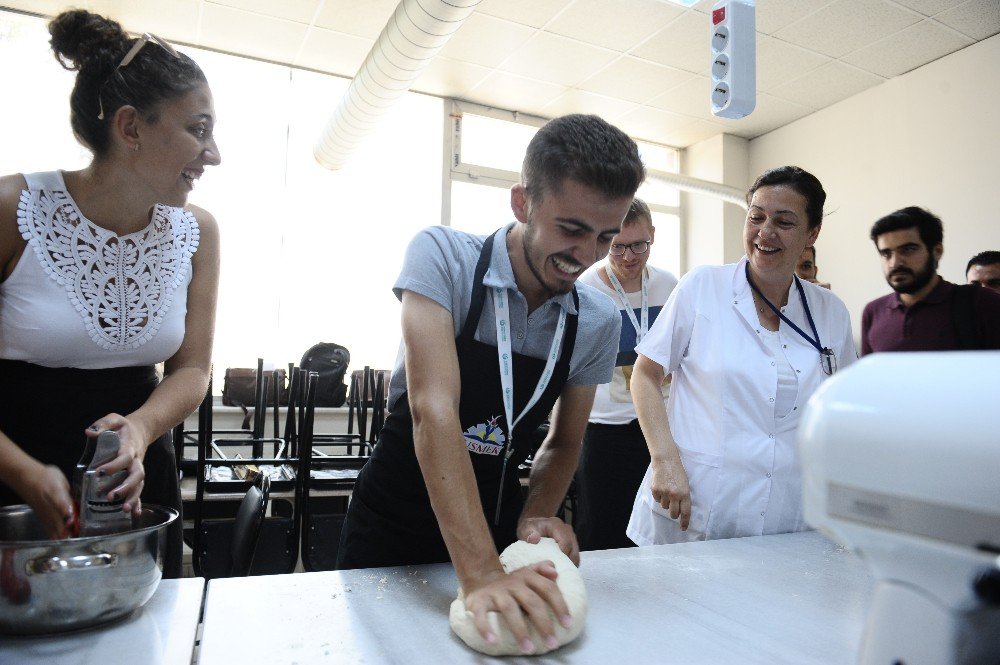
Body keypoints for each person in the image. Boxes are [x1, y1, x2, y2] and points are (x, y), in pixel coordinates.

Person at [336, 114, 644, 653]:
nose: (587, 257)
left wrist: (536, 520)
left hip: (498, 532)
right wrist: (478, 575)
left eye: (606, 236)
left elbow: (565, 441)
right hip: (390, 527)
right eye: (571, 229)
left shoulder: (597, 319)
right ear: (522, 202)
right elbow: (434, 412)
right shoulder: (444, 260)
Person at [0, 10, 221, 577]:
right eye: (198, 129)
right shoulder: (13, 209)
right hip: (14, 472)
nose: (213, 153)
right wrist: (23, 471)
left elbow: (192, 370)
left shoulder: (199, 233)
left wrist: (142, 430)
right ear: (130, 127)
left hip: (138, 473)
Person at [626, 166, 856, 546]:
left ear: (812, 234)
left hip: (786, 513)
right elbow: (645, 375)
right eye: (757, 217)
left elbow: (842, 410)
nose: (765, 232)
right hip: (694, 505)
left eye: (784, 222)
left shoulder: (830, 311)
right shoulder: (702, 287)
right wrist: (664, 461)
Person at [573, 198, 677, 551]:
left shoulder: (669, 286)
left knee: (658, 530)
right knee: (603, 532)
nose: (629, 257)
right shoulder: (585, 288)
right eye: (618, 247)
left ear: (653, 236)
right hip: (603, 431)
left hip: (660, 430)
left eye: (639, 245)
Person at [861, 207, 1000, 354]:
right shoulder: (873, 312)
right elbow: (869, 376)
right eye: (886, 253)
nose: (895, 263)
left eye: (908, 249)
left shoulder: (982, 303)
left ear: (937, 251)